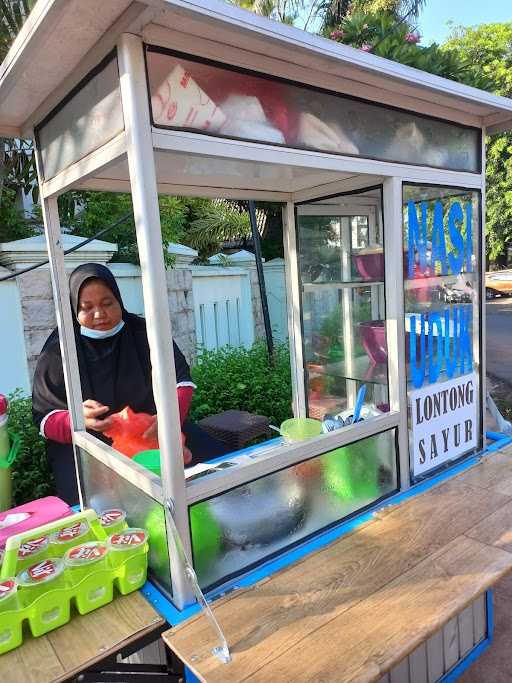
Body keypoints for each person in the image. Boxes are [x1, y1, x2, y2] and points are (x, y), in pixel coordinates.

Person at [33, 263, 228, 505]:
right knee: (94, 506)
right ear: (74, 310)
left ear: (119, 300)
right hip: (88, 446)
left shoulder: (143, 333)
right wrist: (78, 420)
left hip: (152, 429)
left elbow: (180, 382)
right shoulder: (59, 350)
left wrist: (169, 419)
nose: (99, 314)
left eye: (107, 303)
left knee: (216, 473)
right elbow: (45, 418)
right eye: (87, 308)